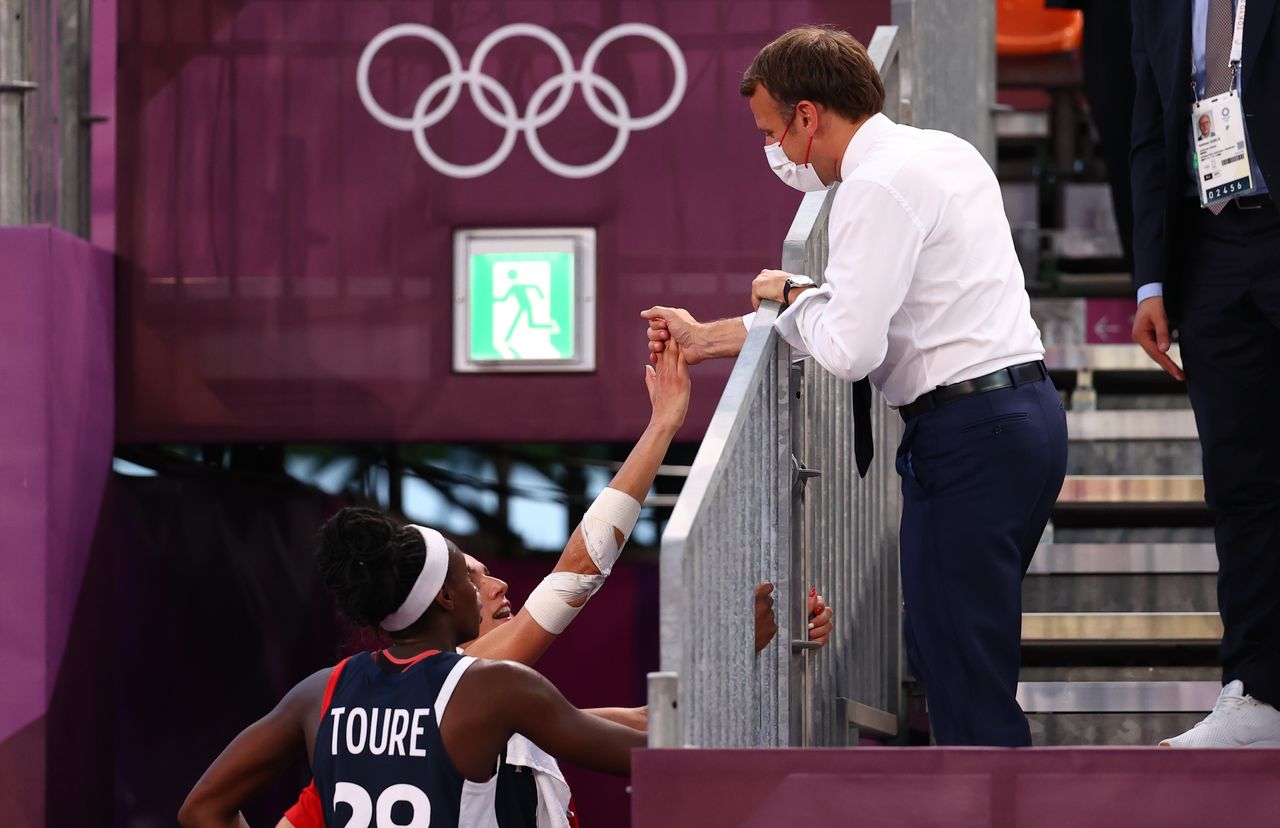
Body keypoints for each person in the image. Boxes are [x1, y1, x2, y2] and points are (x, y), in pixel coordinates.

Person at [643, 25, 1068, 747]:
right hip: (1022, 420)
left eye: (771, 131)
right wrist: (723, 332)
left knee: (964, 680)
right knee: (966, 659)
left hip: (968, 439)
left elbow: (846, 346)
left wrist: (789, 294)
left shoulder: (874, 185)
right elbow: (867, 309)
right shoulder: (942, 152)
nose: (772, 151)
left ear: (809, 116)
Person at [1130, 0, 1280, 748]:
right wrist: (1151, 283)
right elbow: (1150, 130)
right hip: (1210, 251)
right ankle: (1257, 693)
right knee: (1240, 486)